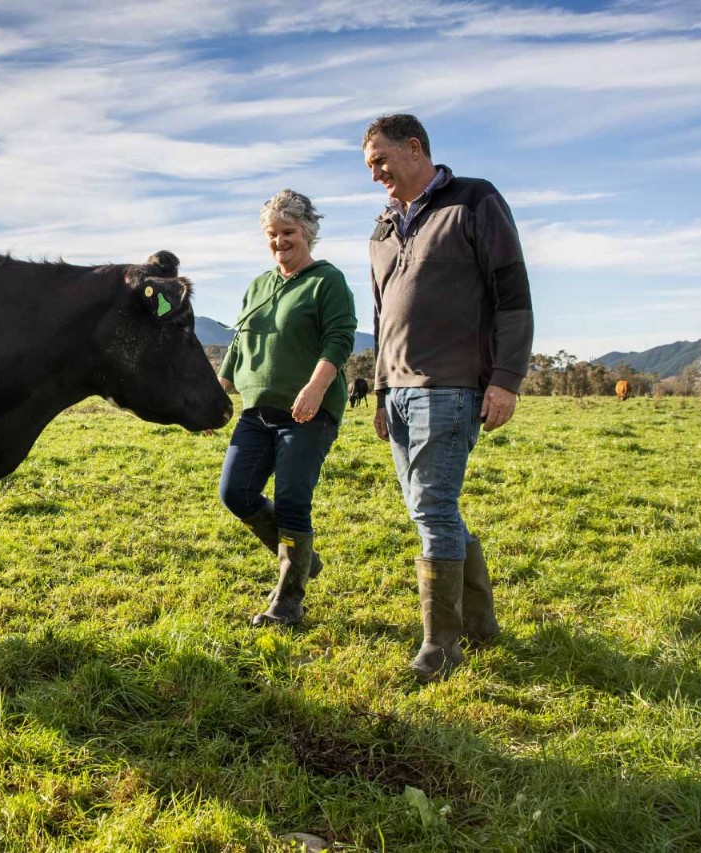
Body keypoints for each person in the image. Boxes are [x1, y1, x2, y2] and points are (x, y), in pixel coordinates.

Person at [361, 114, 533, 681]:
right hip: (400, 392)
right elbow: (384, 316)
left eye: (382, 160)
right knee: (431, 509)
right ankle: (481, 625)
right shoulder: (382, 230)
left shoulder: (474, 201)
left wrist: (506, 378)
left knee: (432, 509)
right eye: (369, 167)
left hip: (452, 387)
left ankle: (442, 646)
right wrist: (382, 387)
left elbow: (512, 296)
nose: (376, 174)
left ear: (415, 148)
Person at [218, 190, 357, 626]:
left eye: (289, 232)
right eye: (273, 234)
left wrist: (316, 387)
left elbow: (339, 339)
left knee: (292, 502)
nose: (280, 241)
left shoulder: (326, 281)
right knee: (234, 492)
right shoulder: (259, 285)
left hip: (307, 411)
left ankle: (288, 600)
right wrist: (218, 390)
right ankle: (301, 558)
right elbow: (240, 342)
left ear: (308, 232)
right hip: (257, 409)